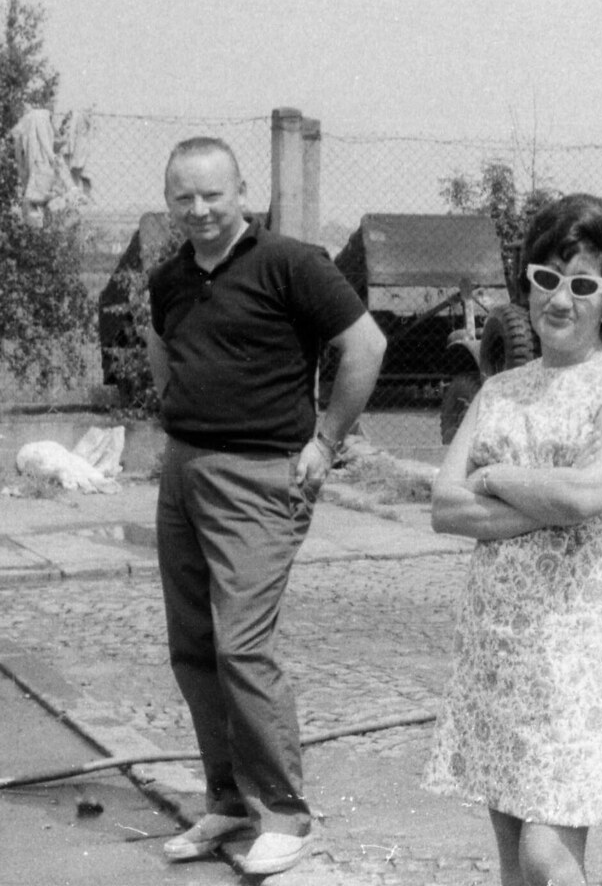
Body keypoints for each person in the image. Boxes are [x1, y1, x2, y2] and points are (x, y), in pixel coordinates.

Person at [147, 136, 386, 876]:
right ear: (168, 201)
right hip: (183, 470)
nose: (200, 209)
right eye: (184, 196)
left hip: (262, 475)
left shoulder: (290, 264)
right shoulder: (169, 278)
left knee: (241, 646)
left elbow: (365, 346)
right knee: (193, 647)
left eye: (213, 194)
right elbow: (163, 351)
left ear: (242, 190)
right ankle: (225, 800)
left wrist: (325, 442)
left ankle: (285, 813)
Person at [423, 194, 602, 886]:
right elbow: (445, 506)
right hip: (500, 645)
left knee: (548, 857)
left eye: (582, 285)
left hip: (577, 656)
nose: (559, 301)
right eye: (545, 279)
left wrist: (499, 475)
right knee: (512, 851)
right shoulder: (499, 388)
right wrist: (553, 498)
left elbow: (590, 493)